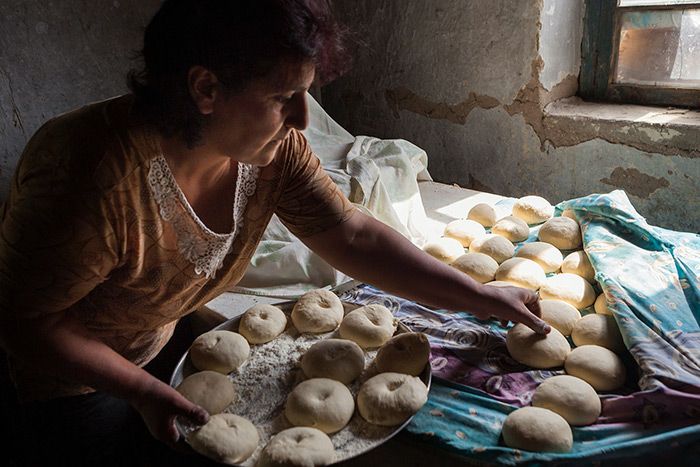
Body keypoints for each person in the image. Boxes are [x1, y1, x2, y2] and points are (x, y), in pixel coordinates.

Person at [0, 1, 549, 465]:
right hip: (71, 383)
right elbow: (27, 322)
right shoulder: (88, 176)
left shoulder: (273, 151)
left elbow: (350, 235)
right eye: (283, 96)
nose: (304, 119)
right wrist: (142, 391)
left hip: (162, 343)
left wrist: (476, 295)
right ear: (206, 88)